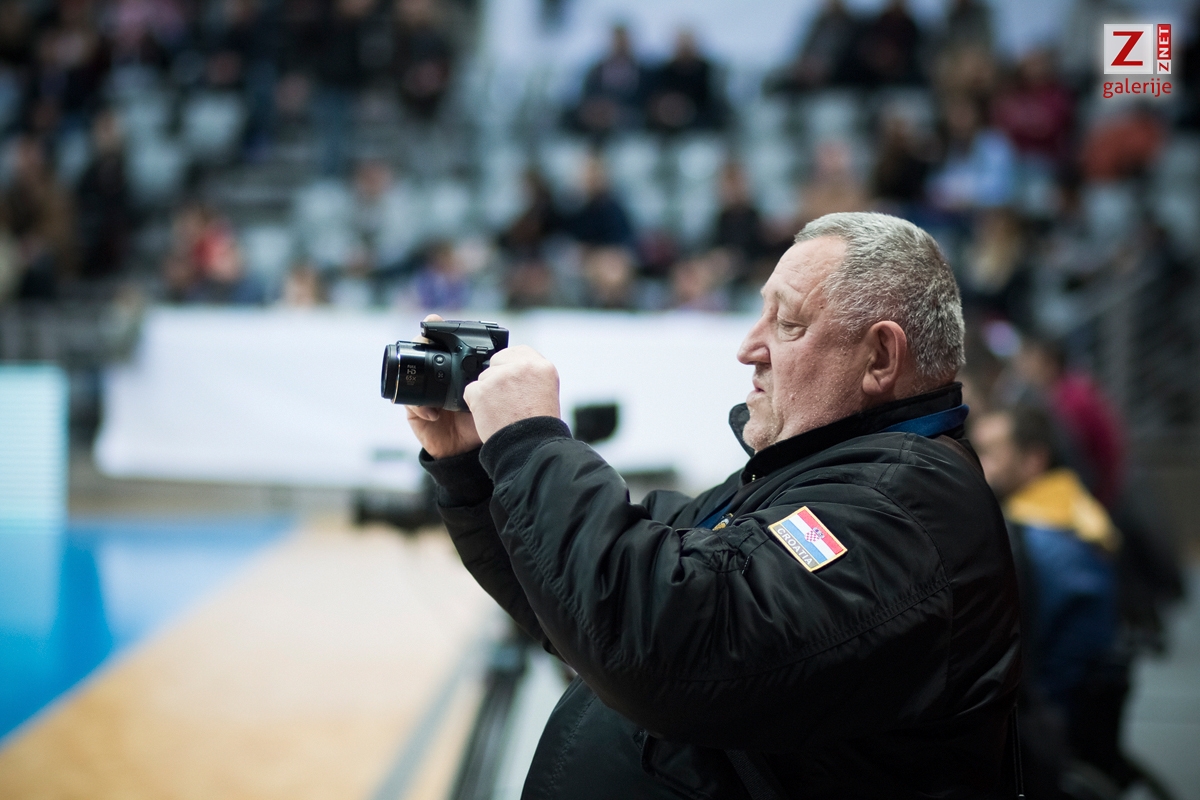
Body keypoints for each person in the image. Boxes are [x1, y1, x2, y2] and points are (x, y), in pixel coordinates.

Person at [405, 211, 1021, 797]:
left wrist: (530, 443)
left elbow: (662, 635)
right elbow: (589, 594)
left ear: (880, 357)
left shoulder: (900, 513)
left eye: (788, 323)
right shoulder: (820, 476)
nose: (749, 347)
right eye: (761, 314)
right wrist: (474, 467)